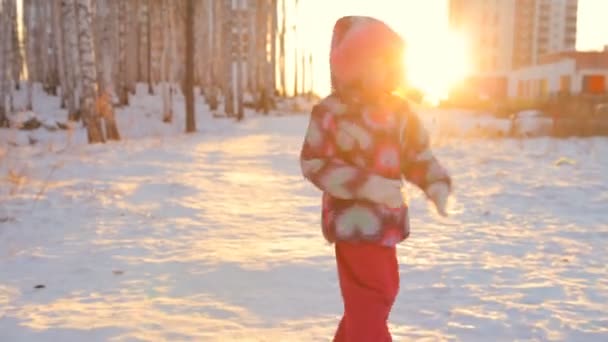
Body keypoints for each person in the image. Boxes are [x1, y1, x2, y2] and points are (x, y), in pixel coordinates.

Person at [299, 16, 452, 341]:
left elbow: (415, 154)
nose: (385, 68)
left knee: (378, 298)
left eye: (390, 61)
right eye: (377, 60)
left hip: (387, 225)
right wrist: (368, 186)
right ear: (354, 64)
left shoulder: (398, 111)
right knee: (370, 303)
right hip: (353, 225)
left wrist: (435, 182)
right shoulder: (331, 112)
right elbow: (315, 163)